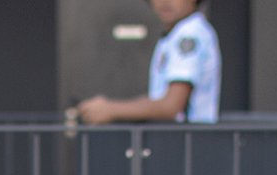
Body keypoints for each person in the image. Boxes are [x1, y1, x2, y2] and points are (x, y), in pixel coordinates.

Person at [76, 0, 221, 125]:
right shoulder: (175, 33)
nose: (164, 1)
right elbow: (160, 98)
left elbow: (171, 106)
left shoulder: (190, 34)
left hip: (189, 145)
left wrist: (111, 109)